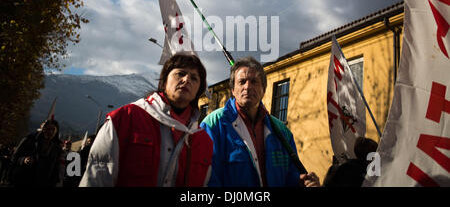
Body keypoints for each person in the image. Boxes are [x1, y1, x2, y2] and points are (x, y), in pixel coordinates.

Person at [79, 52, 213, 187]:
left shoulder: (204, 141)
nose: (186, 80)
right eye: (180, 73)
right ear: (164, 80)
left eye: (194, 78)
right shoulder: (124, 119)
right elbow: (96, 179)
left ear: (199, 90)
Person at [200, 56, 320, 187]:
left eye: (254, 81)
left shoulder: (283, 132)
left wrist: (302, 182)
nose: (248, 87)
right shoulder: (213, 125)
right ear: (233, 90)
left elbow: (290, 175)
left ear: (263, 90)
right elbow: (207, 180)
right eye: (242, 81)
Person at [9, 119, 62, 187]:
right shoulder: (30, 140)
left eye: (53, 129)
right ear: (43, 129)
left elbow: (55, 167)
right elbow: (15, 157)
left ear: (56, 131)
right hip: (24, 179)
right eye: (48, 129)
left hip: (42, 182)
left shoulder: (57, 147)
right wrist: (24, 160)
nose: (50, 132)